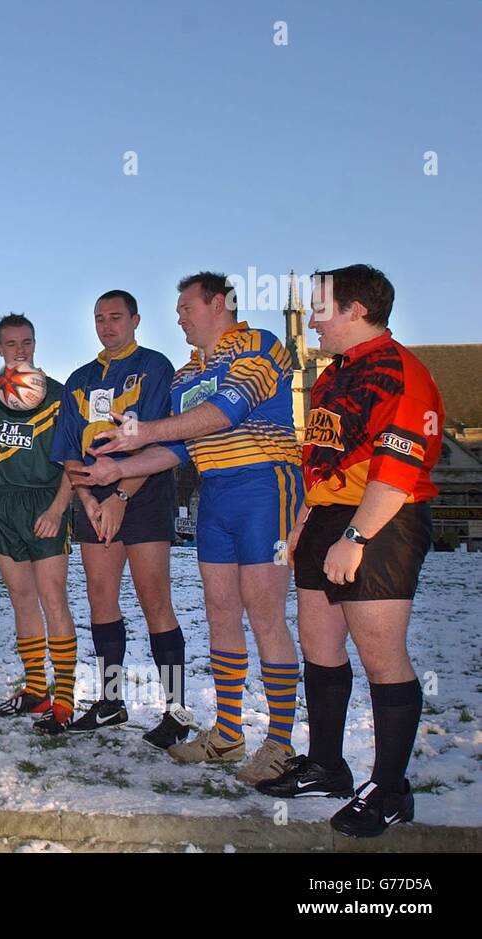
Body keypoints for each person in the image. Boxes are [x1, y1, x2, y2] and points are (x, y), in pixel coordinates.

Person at [83, 272, 303, 784]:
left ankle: (280, 743)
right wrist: (120, 468)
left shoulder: (259, 347)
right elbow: (178, 448)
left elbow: (225, 413)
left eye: (186, 307)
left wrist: (142, 429)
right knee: (220, 611)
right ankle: (227, 734)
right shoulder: (184, 376)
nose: (178, 316)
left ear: (220, 304)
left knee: (265, 612)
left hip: (265, 487)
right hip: (216, 494)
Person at [256, 265, 442, 838]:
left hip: (383, 518)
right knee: (319, 640)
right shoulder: (335, 374)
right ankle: (328, 765)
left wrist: (356, 537)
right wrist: (305, 522)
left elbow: (399, 468)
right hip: (328, 516)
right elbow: (327, 459)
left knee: (380, 653)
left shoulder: (399, 372)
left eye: (321, 308)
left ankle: (391, 791)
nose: (310, 319)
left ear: (356, 309)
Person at [48, 291, 191, 745]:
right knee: (100, 598)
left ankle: (177, 709)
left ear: (135, 320)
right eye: (99, 319)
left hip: (143, 494)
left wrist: (121, 496)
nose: (107, 326)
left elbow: (156, 442)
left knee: (155, 600)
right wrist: (88, 500)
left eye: (115, 317)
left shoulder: (154, 368)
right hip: (96, 499)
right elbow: (69, 452)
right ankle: (111, 701)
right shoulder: (79, 379)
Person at [0, 314, 76, 725]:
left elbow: (74, 461)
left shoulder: (59, 396)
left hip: (44, 503)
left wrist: (57, 510)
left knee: (53, 597)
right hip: (4, 506)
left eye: (27, 342)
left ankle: (65, 699)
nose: (20, 350)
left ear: (35, 344)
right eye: (12, 344)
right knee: (21, 599)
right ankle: (36, 690)